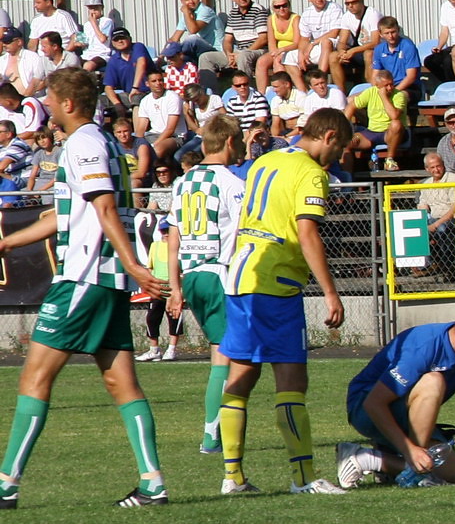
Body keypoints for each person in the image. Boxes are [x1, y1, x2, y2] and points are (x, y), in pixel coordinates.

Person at [0, 67, 168, 509]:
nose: (48, 107)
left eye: (51, 100)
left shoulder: (84, 143)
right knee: (121, 384)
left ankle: (6, 485)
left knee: (34, 377)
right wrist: (7, 240)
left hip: (84, 278)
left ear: (68, 104)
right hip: (106, 283)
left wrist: (133, 261)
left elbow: (106, 207)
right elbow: (72, 214)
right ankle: (152, 482)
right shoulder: (104, 142)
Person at [217, 107, 352, 496]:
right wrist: (330, 291)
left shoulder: (266, 160)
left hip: (241, 273)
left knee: (241, 376)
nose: (338, 157)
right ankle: (304, 478)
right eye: (339, 147)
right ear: (327, 137)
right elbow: (307, 232)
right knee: (291, 379)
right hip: (274, 280)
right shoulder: (311, 172)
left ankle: (233, 477)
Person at [338, 306, 455, 488]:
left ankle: (374, 460)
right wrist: (409, 450)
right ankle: (406, 463)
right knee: (433, 381)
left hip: (404, 415)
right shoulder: (424, 346)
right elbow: (374, 403)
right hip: (365, 409)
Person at [166, 113, 245, 456]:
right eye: (240, 140)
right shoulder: (232, 183)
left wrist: (175, 288)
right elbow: (244, 233)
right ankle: (212, 436)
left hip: (192, 275)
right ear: (229, 142)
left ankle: (215, 433)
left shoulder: (182, 182)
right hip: (219, 274)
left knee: (220, 354)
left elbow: (173, 239)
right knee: (225, 360)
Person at [135, 221, 183, 363]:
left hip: (172, 288)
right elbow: (150, 267)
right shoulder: (155, 246)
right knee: (152, 318)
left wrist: (178, 288)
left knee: (174, 318)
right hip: (158, 287)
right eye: (163, 231)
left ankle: (172, 349)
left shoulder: (177, 246)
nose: (166, 234)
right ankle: (153, 349)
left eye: (168, 230)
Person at [343, 69, 408, 173]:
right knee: (345, 143)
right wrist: (346, 130)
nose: (390, 88)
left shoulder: (399, 95)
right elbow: (351, 106)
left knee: (396, 124)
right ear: (377, 85)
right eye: (386, 86)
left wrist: (383, 97)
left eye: (391, 84)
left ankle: (390, 159)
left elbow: (394, 116)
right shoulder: (370, 92)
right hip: (372, 132)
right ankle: (347, 178)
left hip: (391, 133)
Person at [197, 0, 268, 92]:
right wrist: (229, 54)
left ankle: (247, 94)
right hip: (238, 51)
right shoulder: (233, 13)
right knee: (205, 57)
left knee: (243, 56)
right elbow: (227, 39)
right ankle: (210, 96)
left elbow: (263, 38)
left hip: (257, 50)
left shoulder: (258, 10)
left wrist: (243, 52)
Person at [414, 153, 455, 277]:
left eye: (438, 166)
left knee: (441, 228)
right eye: (432, 167)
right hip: (432, 218)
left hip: (449, 218)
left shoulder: (453, 179)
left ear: (443, 165)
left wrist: (436, 223)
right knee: (415, 227)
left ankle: (446, 265)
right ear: (427, 169)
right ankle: (425, 265)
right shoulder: (425, 184)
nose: (436, 170)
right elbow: (422, 205)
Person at [329, 0, 382, 92]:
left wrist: (353, 51)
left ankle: (372, 91)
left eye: (353, 3)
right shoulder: (347, 17)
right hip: (358, 51)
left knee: (368, 54)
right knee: (333, 56)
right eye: (347, 4)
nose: (350, 6)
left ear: (361, 1)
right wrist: (341, 51)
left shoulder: (373, 15)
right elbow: (342, 41)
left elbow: (375, 42)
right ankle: (341, 94)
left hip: (375, 51)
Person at [135, 70, 188, 160]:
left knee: (157, 150)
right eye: (154, 81)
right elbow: (141, 128)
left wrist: (153, 145)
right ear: (147, 84)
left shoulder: (173, 97)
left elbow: (170, 129)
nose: (158, 83)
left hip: (175, 137)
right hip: (153, 135)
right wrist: (136, 144)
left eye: (160, 80)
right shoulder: (145, 100)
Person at [102, 27, 153, 120]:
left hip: (149, 92)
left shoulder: (138, 47)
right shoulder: (114, 60)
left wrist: (135, 88)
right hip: (128, 94)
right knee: (100, 101)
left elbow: (141, 63)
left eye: (122, 38)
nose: (120, 41)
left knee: (136, 98)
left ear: (129, 39)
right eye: (116, 39)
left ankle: (138, 134)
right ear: (112, 43)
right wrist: (117, 104)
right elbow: (108, 87)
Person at [289, 0, 342, 86]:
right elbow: (304, 39)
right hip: (317, 46)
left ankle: (320, 80)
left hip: (334, 44)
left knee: (326, 42)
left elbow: (335, 32)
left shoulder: (334, 8)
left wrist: (313, 43)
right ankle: (303, 91)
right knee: (288, 57)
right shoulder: (307, 13)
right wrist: (301, 53)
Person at [371, 16, 423, 103]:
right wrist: (375, 91)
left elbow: (411, 77)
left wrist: (393, 91)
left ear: (398, 30)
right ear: (380, 34)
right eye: (387, 33)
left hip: (409, 88)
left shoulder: (408, 47)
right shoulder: (379, 49)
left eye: (393, 32)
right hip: (387, 87)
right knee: (351, 100)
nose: (390, 36)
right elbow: (374, 76)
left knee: (397, 98)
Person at [254, 0, 300, 94]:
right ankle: (262, 95)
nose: (281, 9)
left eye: (284, 5)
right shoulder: (271, 19)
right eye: (277, 7)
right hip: (277, 51)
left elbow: (297, 43)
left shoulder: (295, 18)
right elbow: (271, 42)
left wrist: (281, 51)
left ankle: (284, 93)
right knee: (261, 62)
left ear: (289, 6)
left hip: (292, 50)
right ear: (273, 8)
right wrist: (275, 56)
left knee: (280, 66)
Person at [424, 0, 455, 84]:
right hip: (453, 45)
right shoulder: (445, 7)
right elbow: (444, 31)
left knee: (447, 61)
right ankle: (448, 84)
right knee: (429, 61)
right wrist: (439, 47)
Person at [176, 82, 226, 162]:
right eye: (193, 101)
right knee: (178, 156)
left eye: (197, 99)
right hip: (200, 136)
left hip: (214, 134)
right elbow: (195, 129)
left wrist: (210, 125)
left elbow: (225, 116)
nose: (196, 102)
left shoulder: (214, 99)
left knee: (193, 156)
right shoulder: (194, 105)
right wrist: (186, 114)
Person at [169, 0, 223, 64]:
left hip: (215, 50)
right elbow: (174, 38)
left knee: (192, 39)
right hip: (198, 53)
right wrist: (162, 57)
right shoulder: (187, 15)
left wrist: (186, 12)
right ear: (182, 1)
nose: (191, 1)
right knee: (175, 51)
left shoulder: (205, 10)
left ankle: (179, 60)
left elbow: (193, 30)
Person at [0, 29, 46, 98]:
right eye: (3, 42)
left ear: (19, 42)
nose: (4, 45)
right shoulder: (2, 60)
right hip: (7, 103)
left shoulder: (32, 57)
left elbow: (43, 81)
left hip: (31, 99)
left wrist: (27, 95)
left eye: (7, 42)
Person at [112, 117, 154, 193]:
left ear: (131, 131)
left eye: (125, 131)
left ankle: (136, 205)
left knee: (133, 183)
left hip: (144, 180)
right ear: (114, 134)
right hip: (124, 178)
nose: (123, 135)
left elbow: (142, 173)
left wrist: (121, 178)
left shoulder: (141, 144)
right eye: (119, 132)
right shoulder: (114, 146)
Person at [0, 121, 34, 207]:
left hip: (23, 179)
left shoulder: (19, 144)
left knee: (7, 182)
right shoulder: (2, 147)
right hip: (7, 177)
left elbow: (2, 166)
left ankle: (7, 208)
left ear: (8, 134)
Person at [77, 0, 113, 72]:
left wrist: (94, 23)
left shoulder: (107, 22)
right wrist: (79, 42)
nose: (93, 11)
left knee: (88, 65)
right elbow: (85, 42)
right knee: (73, 63)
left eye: (96, 8)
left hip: (101, 54)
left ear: (101, 8)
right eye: (91, 9)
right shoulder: (87, 24)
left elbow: (103, 39)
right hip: (87, 54)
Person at [25, 127, 60, 198]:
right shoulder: (39, 153)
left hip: (54, 183)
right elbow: (32, 176)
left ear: (50, 137)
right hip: (41, 181)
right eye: (39, 139)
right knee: (22, 195)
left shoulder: (59, 152)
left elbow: (58, 176)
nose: (42, 141)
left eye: (44, 138)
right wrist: (29, 191)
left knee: (47, 197)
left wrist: (41, 190)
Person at [268, 71, 304, 137]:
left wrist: (286, 137)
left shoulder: (300, 97)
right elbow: (275, 123)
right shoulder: (275, 100)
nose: (274, 90)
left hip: (301, 133)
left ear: (287, 84)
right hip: (285, 132)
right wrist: (275, 138)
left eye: (276, 87)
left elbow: (303, 125)